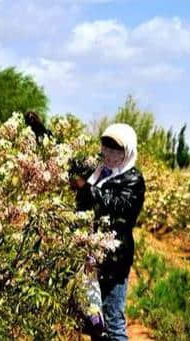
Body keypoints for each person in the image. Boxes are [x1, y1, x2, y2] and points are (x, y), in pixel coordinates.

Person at [71, 123, 145, 341]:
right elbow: (64, 158)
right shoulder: (96, 168)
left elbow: (120, 206)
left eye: (116, 151)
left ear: (128, 152)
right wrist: (40, 131)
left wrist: (87, 189)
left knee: (113, 322)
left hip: (113, 260)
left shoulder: (133, 179)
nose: (110, 155)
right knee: (94, 321)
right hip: (88, 257)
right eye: (106, 148)